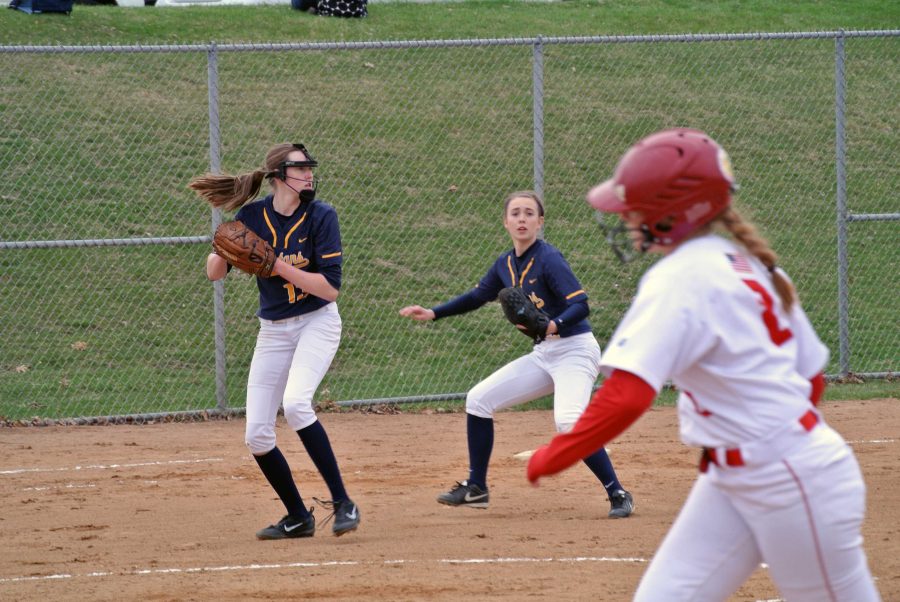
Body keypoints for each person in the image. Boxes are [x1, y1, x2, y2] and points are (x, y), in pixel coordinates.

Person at [527, 129, 881, 601]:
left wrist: (558, 453)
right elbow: (810, 380)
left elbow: (627, 393)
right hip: (738, 478)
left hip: (788, 481)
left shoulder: (680, 276)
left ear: (672, 212)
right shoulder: (752, 264)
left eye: (636, 207)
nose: (627, 217)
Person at [400, 190, 634, 519]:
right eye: (515, 213)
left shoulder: (549, 258)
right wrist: (434, 313)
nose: (521, 219)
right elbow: (477, 297)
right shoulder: (505, 264)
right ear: (505, 222)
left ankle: (618, 492)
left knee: (568, 421)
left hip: (575, 350)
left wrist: (555, 324)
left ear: (540, 222)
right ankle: (476, 488)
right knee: (478, 399)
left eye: (528, 213)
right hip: (545, 353)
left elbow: (581, 305)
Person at [189, 143, 361, 540]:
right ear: (279, 175)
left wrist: (276, 264)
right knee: (257, 435)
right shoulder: (252, 216)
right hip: (274, 330)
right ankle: (298, 516)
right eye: (301, 168)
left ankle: (343, 502)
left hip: (317, 322)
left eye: (310, 168)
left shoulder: (321, 216)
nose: (309, 174)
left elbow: (330, 289)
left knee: (297, 403)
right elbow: (214, 273)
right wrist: (224, 249)